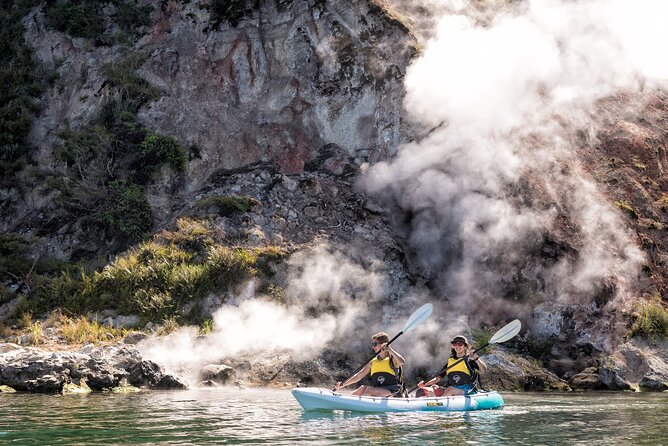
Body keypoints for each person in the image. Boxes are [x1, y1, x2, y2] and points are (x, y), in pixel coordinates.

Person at [335, 332, 406, 397]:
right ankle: (347, 400)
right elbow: (359, 376)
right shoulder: (373, 361)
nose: (373, 347)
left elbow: (402, 362)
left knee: (369, 390)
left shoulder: (392, 359)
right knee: (362, 388)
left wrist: (390, 349)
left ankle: (359, 405)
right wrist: (343, 384)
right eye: (372, 344)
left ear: (383, 344)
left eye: (375, 344)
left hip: (394, 391)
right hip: (378, 390)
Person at [416, 335, 486, 397]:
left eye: (460, 344)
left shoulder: (470, 360)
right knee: (433, 387)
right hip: (453, 388)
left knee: (450, 389)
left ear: (465, 346)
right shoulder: (450, 362)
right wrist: (425, 383)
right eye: (455, 344)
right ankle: (431, 401)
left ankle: (438, 404)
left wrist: (476, 358)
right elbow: (438, 378)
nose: (457, 346)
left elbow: (483, 370)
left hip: (468, 390)